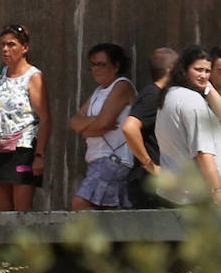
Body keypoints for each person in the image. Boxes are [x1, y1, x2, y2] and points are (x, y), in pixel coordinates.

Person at [0, 24, 50, 212]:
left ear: (24, 48)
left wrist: (39, 155)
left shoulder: (33, 77)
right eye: (3, 45)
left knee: (21, 212)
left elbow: (45, 118)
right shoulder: (1, 74)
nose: (5, 49)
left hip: (22, 151)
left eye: (11, 45)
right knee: (1, 212)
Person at [154, 45, 221, 207]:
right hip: (198, 197)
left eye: (207, 71)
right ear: (184, 69)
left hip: (176, 193)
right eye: (198, 70)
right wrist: (217, 190)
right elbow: (203, 152)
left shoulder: (169, 95)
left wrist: (206, 87)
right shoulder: (192, 101)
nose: (204, 76)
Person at [68, 43, 135, 209]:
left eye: (101, 64)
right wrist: (94, 123)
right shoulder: (98, 91)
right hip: (96, 159)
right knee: (108, 210)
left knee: (80, 203)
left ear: (116, 65)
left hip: (113, 159)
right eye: (93, 64)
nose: (96, 69)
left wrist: (90, 126)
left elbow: (104, 124)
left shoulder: (121, 85)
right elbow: (74, 122)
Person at [121, 47, 179, 208]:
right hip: (149, 185)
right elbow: (129, 128)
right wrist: (150, 165)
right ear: (172, 69)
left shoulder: (159, 95)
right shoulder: (153, 96)